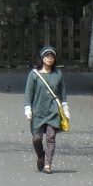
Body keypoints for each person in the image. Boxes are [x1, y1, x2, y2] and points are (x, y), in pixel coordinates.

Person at [23, 45, 68, 173]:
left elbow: (62, 92)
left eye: (52, 56)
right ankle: (41, 156)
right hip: (38, 111)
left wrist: (65, 108)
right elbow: (28, 93)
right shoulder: (34, 74)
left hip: (53, 111)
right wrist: (28, 109)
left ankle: (48, 164)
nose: (50, 59)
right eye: (47, 56)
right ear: (42, 58)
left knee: (50, 138)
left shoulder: (58, 74)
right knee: (37, 139)